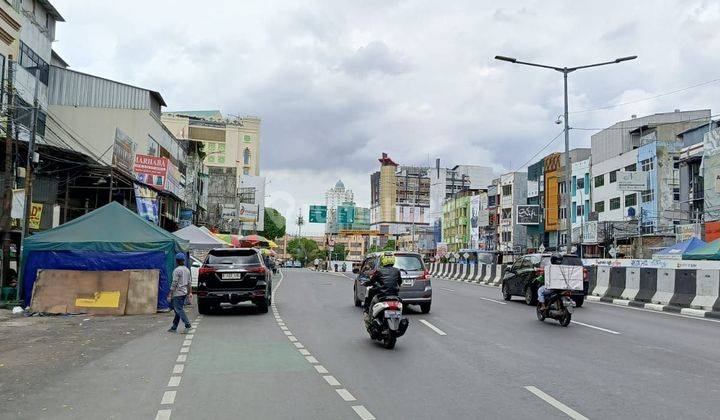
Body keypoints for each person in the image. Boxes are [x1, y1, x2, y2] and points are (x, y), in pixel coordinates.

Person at [168, 253, 193, 333]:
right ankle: (174, 327)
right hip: (184, 293)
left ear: (176, 261)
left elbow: (174, 283)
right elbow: (189, 283)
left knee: (178, 310)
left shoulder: (177, 270)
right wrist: (190, 292)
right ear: (184, 261)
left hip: (177, 293)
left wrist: (170, 293)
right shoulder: (187, 270)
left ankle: (187, 324)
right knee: (178, 311)